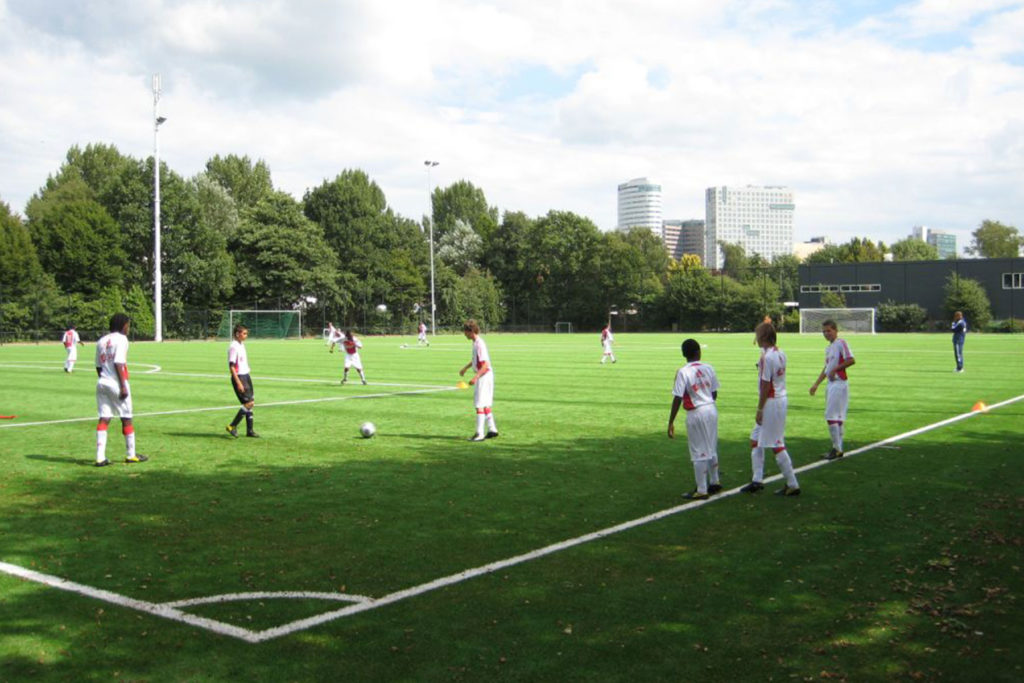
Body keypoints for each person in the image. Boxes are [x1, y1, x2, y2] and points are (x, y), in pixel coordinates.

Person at [740, 321, 800, 496]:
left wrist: (760, 409)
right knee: (755, 439)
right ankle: (757, 480)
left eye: (757, 335)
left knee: (776, 443)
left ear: (763, 337)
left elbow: (766, 385)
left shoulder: (768, 357)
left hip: (772, 402)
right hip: (780, 399)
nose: (755, 339)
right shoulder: (780, 353)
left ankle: (793, 484)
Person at [667, 338, 722, 500]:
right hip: (711, 409)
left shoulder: (683, 371)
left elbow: (677, 397)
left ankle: (702, 489)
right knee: (711, 447)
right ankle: (715, 481)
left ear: (684, 354)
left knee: (698, 451)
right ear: (699, 352)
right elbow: (714, 393)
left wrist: (671, 421)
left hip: (696, 412)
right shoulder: (709, 368)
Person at [94, 313, 147, 467]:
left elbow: (98, 366)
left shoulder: (101, 340)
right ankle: (131, 455)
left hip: (102, 382)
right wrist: (122, 385)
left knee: (104, 418)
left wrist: (104, 378)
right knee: (126, 417)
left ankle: (100, 457)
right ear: (123, 325)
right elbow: (118, 363)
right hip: (116, 383)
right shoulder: (122, 339)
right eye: (127, 325)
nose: (128, 328)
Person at [809, 319, 856, 460]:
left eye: (829, 330)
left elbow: (851, 360)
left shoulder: (841, 343)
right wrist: (816, 383)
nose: (826, 333)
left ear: (836, 330)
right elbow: (826, 368)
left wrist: (836, 368)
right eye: (824, 331)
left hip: (839, 383)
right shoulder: (829, 348)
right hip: (832, 384)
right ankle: (838, 448)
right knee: (838, 417)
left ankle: (836, 449)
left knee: (830, 416)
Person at [460, 319, 498, 441]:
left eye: (465, 332)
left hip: (483, 376)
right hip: (486, 375)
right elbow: (476, 360)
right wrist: (465, 368)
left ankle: (479, 433)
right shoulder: (476, 342)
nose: (464, 334)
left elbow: (485, 364)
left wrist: (475, 377)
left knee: (479, 405)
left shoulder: (479, 344)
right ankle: (492, 429)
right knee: (485, 403)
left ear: (470, 331)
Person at [226, 324, 259, 438]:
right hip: (239, 377)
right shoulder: (233, 346)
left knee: (251, 402)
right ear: (237, 334)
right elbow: (231, 366)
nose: (246, 336)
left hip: (246, 376)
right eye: (244, 333)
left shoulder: (241, 344)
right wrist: (238, 382)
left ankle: (249, 430)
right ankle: (232, 426)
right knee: (248, 403)